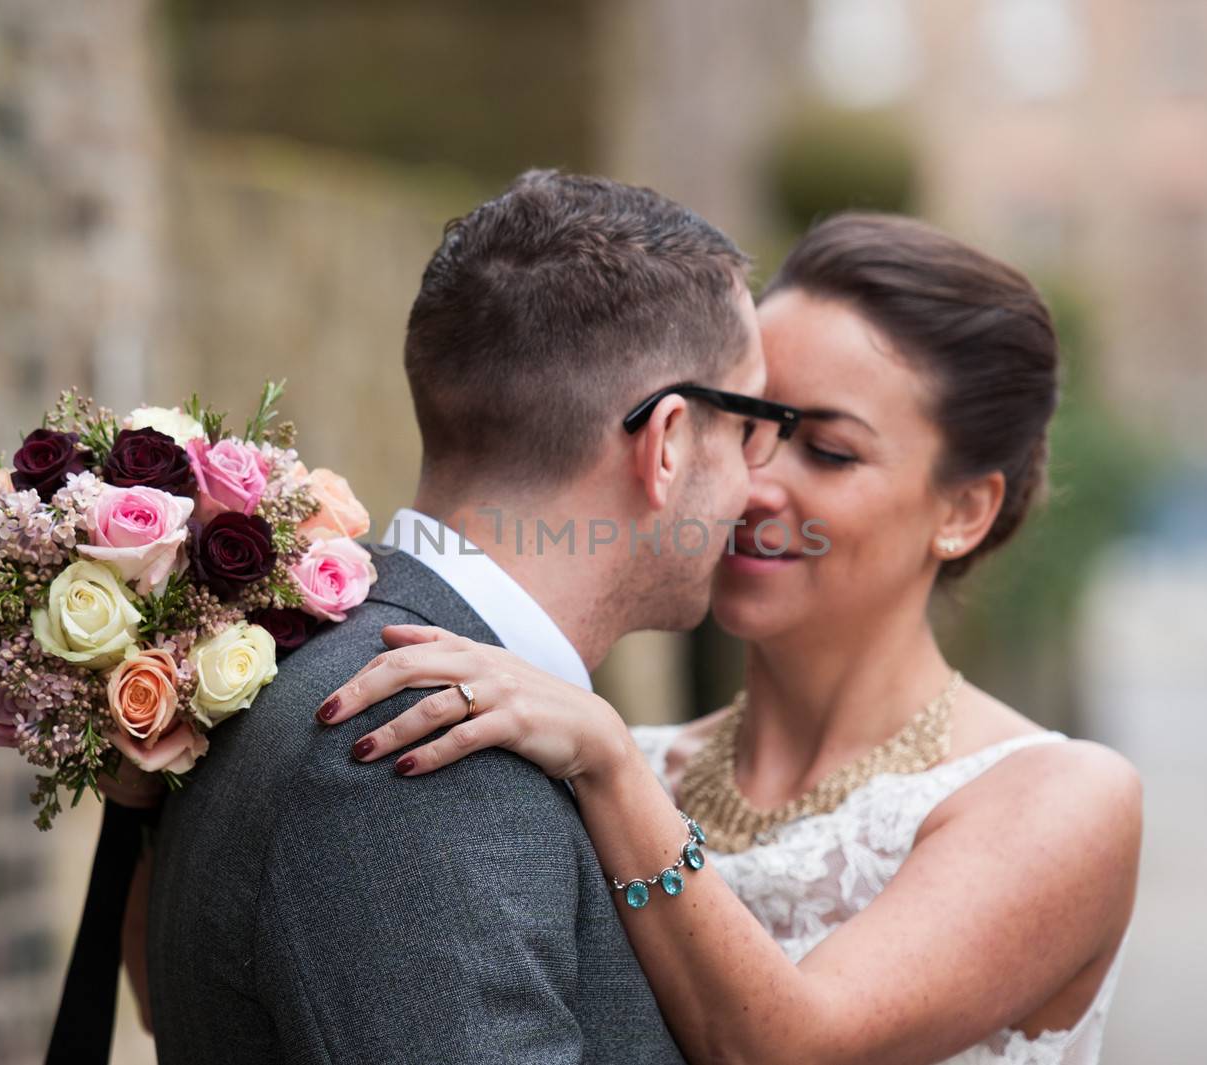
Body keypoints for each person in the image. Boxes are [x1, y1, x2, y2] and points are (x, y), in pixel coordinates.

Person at [312, 214, 1143, 1065]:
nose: (751, 484)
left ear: (963, 512)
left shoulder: (1061, 799)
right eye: (744, 425)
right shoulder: (623, 760)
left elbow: (796, 1049)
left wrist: (612, 762)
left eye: (826, 450)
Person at [142, 170, 801, 1063]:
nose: (761, 484)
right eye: (752, 427)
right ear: (671, 441)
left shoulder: (354, 662)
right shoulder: (411, 737)